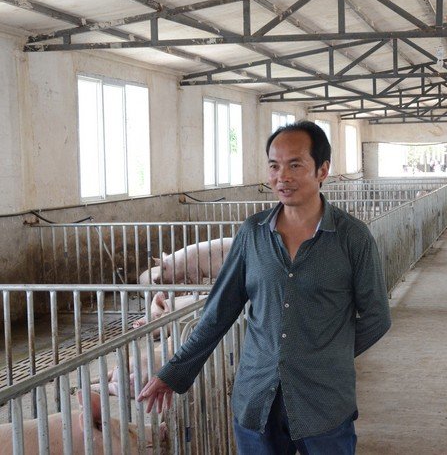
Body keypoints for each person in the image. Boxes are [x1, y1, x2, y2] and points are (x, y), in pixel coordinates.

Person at [137, 120, 392, 454]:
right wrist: (174, 372)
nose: (282, 177)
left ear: (322, 170)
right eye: (274, 166)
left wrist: (328, 355)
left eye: (295, 165)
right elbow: (219, 311)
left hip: (324, 402)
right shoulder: (253, 233)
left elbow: (376, 317)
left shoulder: (352, 238)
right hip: (257, 398)